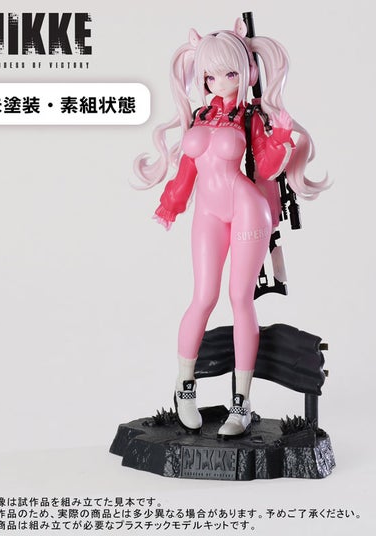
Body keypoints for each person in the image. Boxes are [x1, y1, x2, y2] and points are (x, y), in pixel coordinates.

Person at [134, 18, 329, 438]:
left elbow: (267, 164)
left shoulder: (250, 116)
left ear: (247, 72)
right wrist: (171, 203)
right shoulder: (200, 115)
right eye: (209, 76)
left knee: (240, 298)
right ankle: (184, 387)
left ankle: (241, 402)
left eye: (229, 73)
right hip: (207, 212)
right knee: (202, 297)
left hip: (246, 209)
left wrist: (281, 135)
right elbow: (187, 171)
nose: (218, 82)